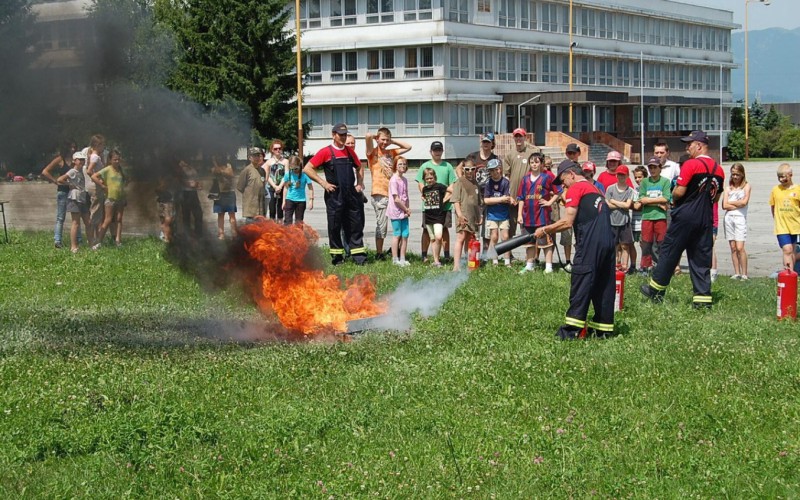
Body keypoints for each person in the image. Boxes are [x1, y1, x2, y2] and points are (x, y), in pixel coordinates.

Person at [641, 130, 725, 309]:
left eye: (689, 144)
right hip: (705, 218)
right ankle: (702, 300)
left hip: (686, 215)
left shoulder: (691, 164)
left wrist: (672, 197)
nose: (687, 148)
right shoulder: (719, 169)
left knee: (669, 251)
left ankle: (655, 290)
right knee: (700, 257)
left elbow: (679, 191)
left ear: (699, 146)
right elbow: (716, 197)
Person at [534, 160, 616, 340]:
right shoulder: (596, 189)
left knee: (581, 280)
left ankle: (572, 330)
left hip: (590, 241)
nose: (562, 185)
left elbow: (567, 221)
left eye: (563, 180)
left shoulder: (576, 188)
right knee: (603, 285)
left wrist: (545, 229)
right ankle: (603, 330)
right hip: (608, 241)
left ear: (571, 174)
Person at [303, 123, 367, 265]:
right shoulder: (325, 152)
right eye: (340, 135)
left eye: (345, 135)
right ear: (333, 135)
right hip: (334, 195)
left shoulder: (350, 152)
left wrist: (359, 184)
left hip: (350, 194)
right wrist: (323, 183)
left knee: (355, 225)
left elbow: (359, 167)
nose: (343, 137)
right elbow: (307, 168)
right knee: (334, 226)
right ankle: (337, 257)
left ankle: (359, 257)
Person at [366, 127, 412, 259]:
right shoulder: (372, 153)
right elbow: (368, 136)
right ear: (377, 139)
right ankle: (379, 253)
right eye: (382, 139)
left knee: (399, 223)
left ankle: (395, 250)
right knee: (382, 225)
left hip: (394, 194)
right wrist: (376, 137)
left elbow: (408, 147)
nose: (385, 142)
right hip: (379, 193)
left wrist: (392, 142)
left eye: (387, 140)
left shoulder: (392, 152)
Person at [416, 141, 457, 263]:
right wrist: (425, 195)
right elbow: (420, 183)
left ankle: (446, 255)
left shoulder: (448, 166)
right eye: (435, 150)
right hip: (429, 207)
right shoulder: (424, 166)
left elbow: (452, 184)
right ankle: (424, 255)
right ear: (431, 152)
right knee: (426, 230)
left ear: (442, 151)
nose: (437, 152)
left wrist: (445, 199)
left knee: (444, 229)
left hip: (445, 206)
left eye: (439, 150)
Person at [517, 152, 558, 273]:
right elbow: (521, 198)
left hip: (542, 216)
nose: (534, 165)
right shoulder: (525, 179)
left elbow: (559, 191)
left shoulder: (547, 177)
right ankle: (529, 265)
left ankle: (549, 267)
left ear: (541, 164)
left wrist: (549, 202)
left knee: (546, 242)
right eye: (532, 162)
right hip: (527, 216)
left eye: (536, 162)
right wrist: (519, 214)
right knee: (529, 242)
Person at [41, 140, 77, 248]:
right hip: (63, 191)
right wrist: (55, 181)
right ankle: (57, 240)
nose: (73, 149)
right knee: (60, 217)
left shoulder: (76, 160)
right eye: (71, 147)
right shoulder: (60, 159)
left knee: (76, 217)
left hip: (74, 191)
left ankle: (78, 239)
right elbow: (45, 171)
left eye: (74, 147)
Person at [503, 128, 538, 238]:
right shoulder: (509, 154)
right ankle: (510, 248)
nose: (518, 138)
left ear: (525, 137)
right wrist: (509, 195)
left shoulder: (532, 153)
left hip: (528, 195)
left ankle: (530, 247)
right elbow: (506, 176)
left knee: (528, 227)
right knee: (510, 227)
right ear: (513, 138)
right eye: (516, 136)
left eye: (520, 136)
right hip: (513, 196)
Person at [638, 157, 671, 273]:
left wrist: (649, 200)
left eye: (655, 167)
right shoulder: (645, 182)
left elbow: (666, 198)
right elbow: (642, 199)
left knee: (661, 242)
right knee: (646, 243)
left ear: (660, 168)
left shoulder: (665, 181)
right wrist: (658, 203)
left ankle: (663, 267)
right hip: (647, 216)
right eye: (650, 167)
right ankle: (645, 267)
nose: (652, 170)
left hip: (660, 216)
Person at [91, 149, 127, 248]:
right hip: (110, 198)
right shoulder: (107, 169)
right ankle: (99, 241)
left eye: (118, 159)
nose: (117, 161)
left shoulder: (121, 170)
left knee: (119, 219)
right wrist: (102, 186)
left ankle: (118, 240)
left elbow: (125, 181)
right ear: (110, 160)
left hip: (120, 197)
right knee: (108, 219)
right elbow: (94, 176)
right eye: (115, 159)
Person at [451, 160, 483, 272]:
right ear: (463, 170)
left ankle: (469, 263)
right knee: (461, 238)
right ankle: (456, 265)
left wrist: (480, 215)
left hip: (473, 216)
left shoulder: (475, 183)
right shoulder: (459, 181)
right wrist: (459, 215)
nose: (470, 171)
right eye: (467, 169)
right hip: (463, 215)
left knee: (470, 239)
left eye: (472, 169)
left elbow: (478, 203)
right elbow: (456, 200)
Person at [56, 150, 91, 254]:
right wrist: (69, 184)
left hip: (82, 197)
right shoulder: (72, 171)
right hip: (74, 198)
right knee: (75, 223)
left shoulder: (82, 171)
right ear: (74, 161)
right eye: (79, 160)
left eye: (83, 160)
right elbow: (60, 179)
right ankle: (73, 246)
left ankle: (91, 243)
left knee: (88, 222)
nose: (81, 162)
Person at [769, 163, 800, 273]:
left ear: (791, 175)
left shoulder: (798, 190)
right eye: (779, 177)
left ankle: (792, 274)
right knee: (787, 249)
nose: (781, 179)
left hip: (794, 226)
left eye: (783, 177)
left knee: (792, 251)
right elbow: (773, 207)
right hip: (781, 226)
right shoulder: (775, 190)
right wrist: (777, 220)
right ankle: (788, 274)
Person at [605, 165, 636, 274]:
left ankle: (624, 266)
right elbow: (607, 205)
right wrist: (621, 204)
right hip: (612, 221)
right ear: (616, 175)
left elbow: (628, 205)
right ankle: (613, 266)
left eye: (623, 175)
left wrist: (614, 201)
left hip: (624, 221)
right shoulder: (610, 188)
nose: (621, 177)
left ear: (627, 176)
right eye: (619, 174)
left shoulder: (630, 190)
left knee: (625, 245)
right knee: (614, 245)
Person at [722, 163, 751, 280]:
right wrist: (737, 204)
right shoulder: (728, 188)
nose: (735, 177)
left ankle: (744, 273)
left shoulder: (746, 187)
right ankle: (737, 272)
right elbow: (724, 205)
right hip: (729, 218)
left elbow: (744, 202)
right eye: (733, 174)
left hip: (740, 218)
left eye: (737, 174)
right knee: (733, 247)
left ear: (742, 174)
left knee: (740, 247)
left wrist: (731, 202)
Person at [483, 158, 512, 267]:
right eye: (491, 170)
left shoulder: (505, 182)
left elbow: (507, 198)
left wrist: (494, 200)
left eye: (495, 169)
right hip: (492, 214)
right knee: (494, 237)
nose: (494, 172)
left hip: (504, 214)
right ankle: (494, 260)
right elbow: (486, 200)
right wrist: (500, 199)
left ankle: (507, 261)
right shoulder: (488, 183)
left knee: (505, 237)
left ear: (499, 169)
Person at [420, 167, 451, 268]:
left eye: (431, 178)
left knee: (438, 236)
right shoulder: (424, 189)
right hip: (428, 216)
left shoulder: (440, 186)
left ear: (435, 177)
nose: (429, 180)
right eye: (427, 179)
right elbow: (423, 196)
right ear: (424, 179)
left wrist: (445, 199)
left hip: (438, 217)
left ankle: (438, 258)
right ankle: (436, 260)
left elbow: (451, 190)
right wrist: (423, 198)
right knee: (432, 239)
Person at [387, 156, 411, 266]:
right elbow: (396, 199)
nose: (402, 166)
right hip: (396, 211)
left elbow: (406, 196)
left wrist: (407, 209)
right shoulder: (393, 180)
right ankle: (395, 258)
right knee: (397, 234)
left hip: (404, 211)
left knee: (405, 234)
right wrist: (405, 209)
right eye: (400, 164)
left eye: (404, 164)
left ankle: (402, 258)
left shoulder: (404, 180)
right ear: (395, 166)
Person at [279, 155, 314, 225]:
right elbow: (285, 188)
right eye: (292, 168)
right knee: (287, 221)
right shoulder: (288, 174)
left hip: (301, 201)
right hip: (289, 200)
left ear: (300, 166)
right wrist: (284, 201)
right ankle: (288, 232)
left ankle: (298, 232)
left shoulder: (305, 175)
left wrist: (311, 200)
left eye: (296, 168)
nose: (294, 171)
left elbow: (310, 188)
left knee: (299, 222)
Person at [84, 134, 106, 245]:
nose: (103, 147)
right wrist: (99, 182)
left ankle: (96, 239)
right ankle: (91, 240)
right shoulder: (95, 157)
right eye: (102, 145)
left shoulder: (95, 156)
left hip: (94, 186)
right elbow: (89, 171)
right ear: (98, 145)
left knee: (97, 212)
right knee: (95, 212)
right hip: (95, 187)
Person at [210, 154, 237, 239]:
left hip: (230, 193)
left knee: (232, 214)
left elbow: (230, 174)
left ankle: (234, 233)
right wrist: (214, 163)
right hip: (220, 193)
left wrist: (220, 169)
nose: (219, 159)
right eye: (217, 158)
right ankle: (221, 233)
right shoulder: (213, 168)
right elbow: (216, 171)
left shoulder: (229, 166)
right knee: (220, 214)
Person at [237, 147, 267, 224]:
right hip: (250, 209)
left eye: (258, 155)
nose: (257, 158)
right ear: (249, 157)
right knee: (251, 229)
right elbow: (240, 187)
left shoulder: (262, 171)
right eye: (254, 156)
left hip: (261, 208)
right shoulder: (246, 170)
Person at [178, 159, 203, 237]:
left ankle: (198, 233)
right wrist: (189, 184)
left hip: (193, 192)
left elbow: (196, 178)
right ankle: (187, 234)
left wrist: (198, 184)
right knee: (186, 214)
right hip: (185, 193)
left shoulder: (191, 166)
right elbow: (179, 179)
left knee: (198, 214)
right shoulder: (180, 168)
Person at [264, 139, 288, 222]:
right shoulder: (268, 162)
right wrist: (274, 186)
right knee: (272, 209)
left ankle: (280, 225)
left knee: (281, 208)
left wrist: (280, 186)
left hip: (282, 187)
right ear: (272, 150)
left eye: (279, 148)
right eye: (275, 149)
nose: (278, 150)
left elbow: (286, 175)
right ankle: (272, 225)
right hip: (271, 187)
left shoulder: (285, 161)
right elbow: (267, 176)